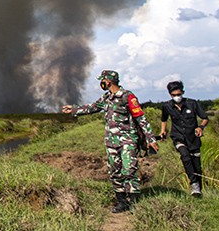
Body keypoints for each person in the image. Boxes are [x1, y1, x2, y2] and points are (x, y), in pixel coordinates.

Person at [62, 70, 158, 213]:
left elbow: (140, 118)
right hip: (111, 142)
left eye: (102, 80)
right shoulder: (106, 98)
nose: (101, 83)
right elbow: (92, 108)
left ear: (108, 81)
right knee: (115, 172)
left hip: (127, 140)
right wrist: (75, 109)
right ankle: (121, 202)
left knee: (129, 170)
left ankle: (134, 203)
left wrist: (150, 139)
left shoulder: (128, 97)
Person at [159, 80, 209, 197]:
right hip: (178, 137)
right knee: (185, 156)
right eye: (174, 95)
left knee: (196, 165)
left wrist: (200, 127)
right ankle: (194, 184)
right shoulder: (167, 106)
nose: (177, 97)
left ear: (183, 92)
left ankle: (198, 191)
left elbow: (205, 118)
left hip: (193, 138)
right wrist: (163, 131)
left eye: (179, 94)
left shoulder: (192, 103)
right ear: (170, 94)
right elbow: (164, 119)